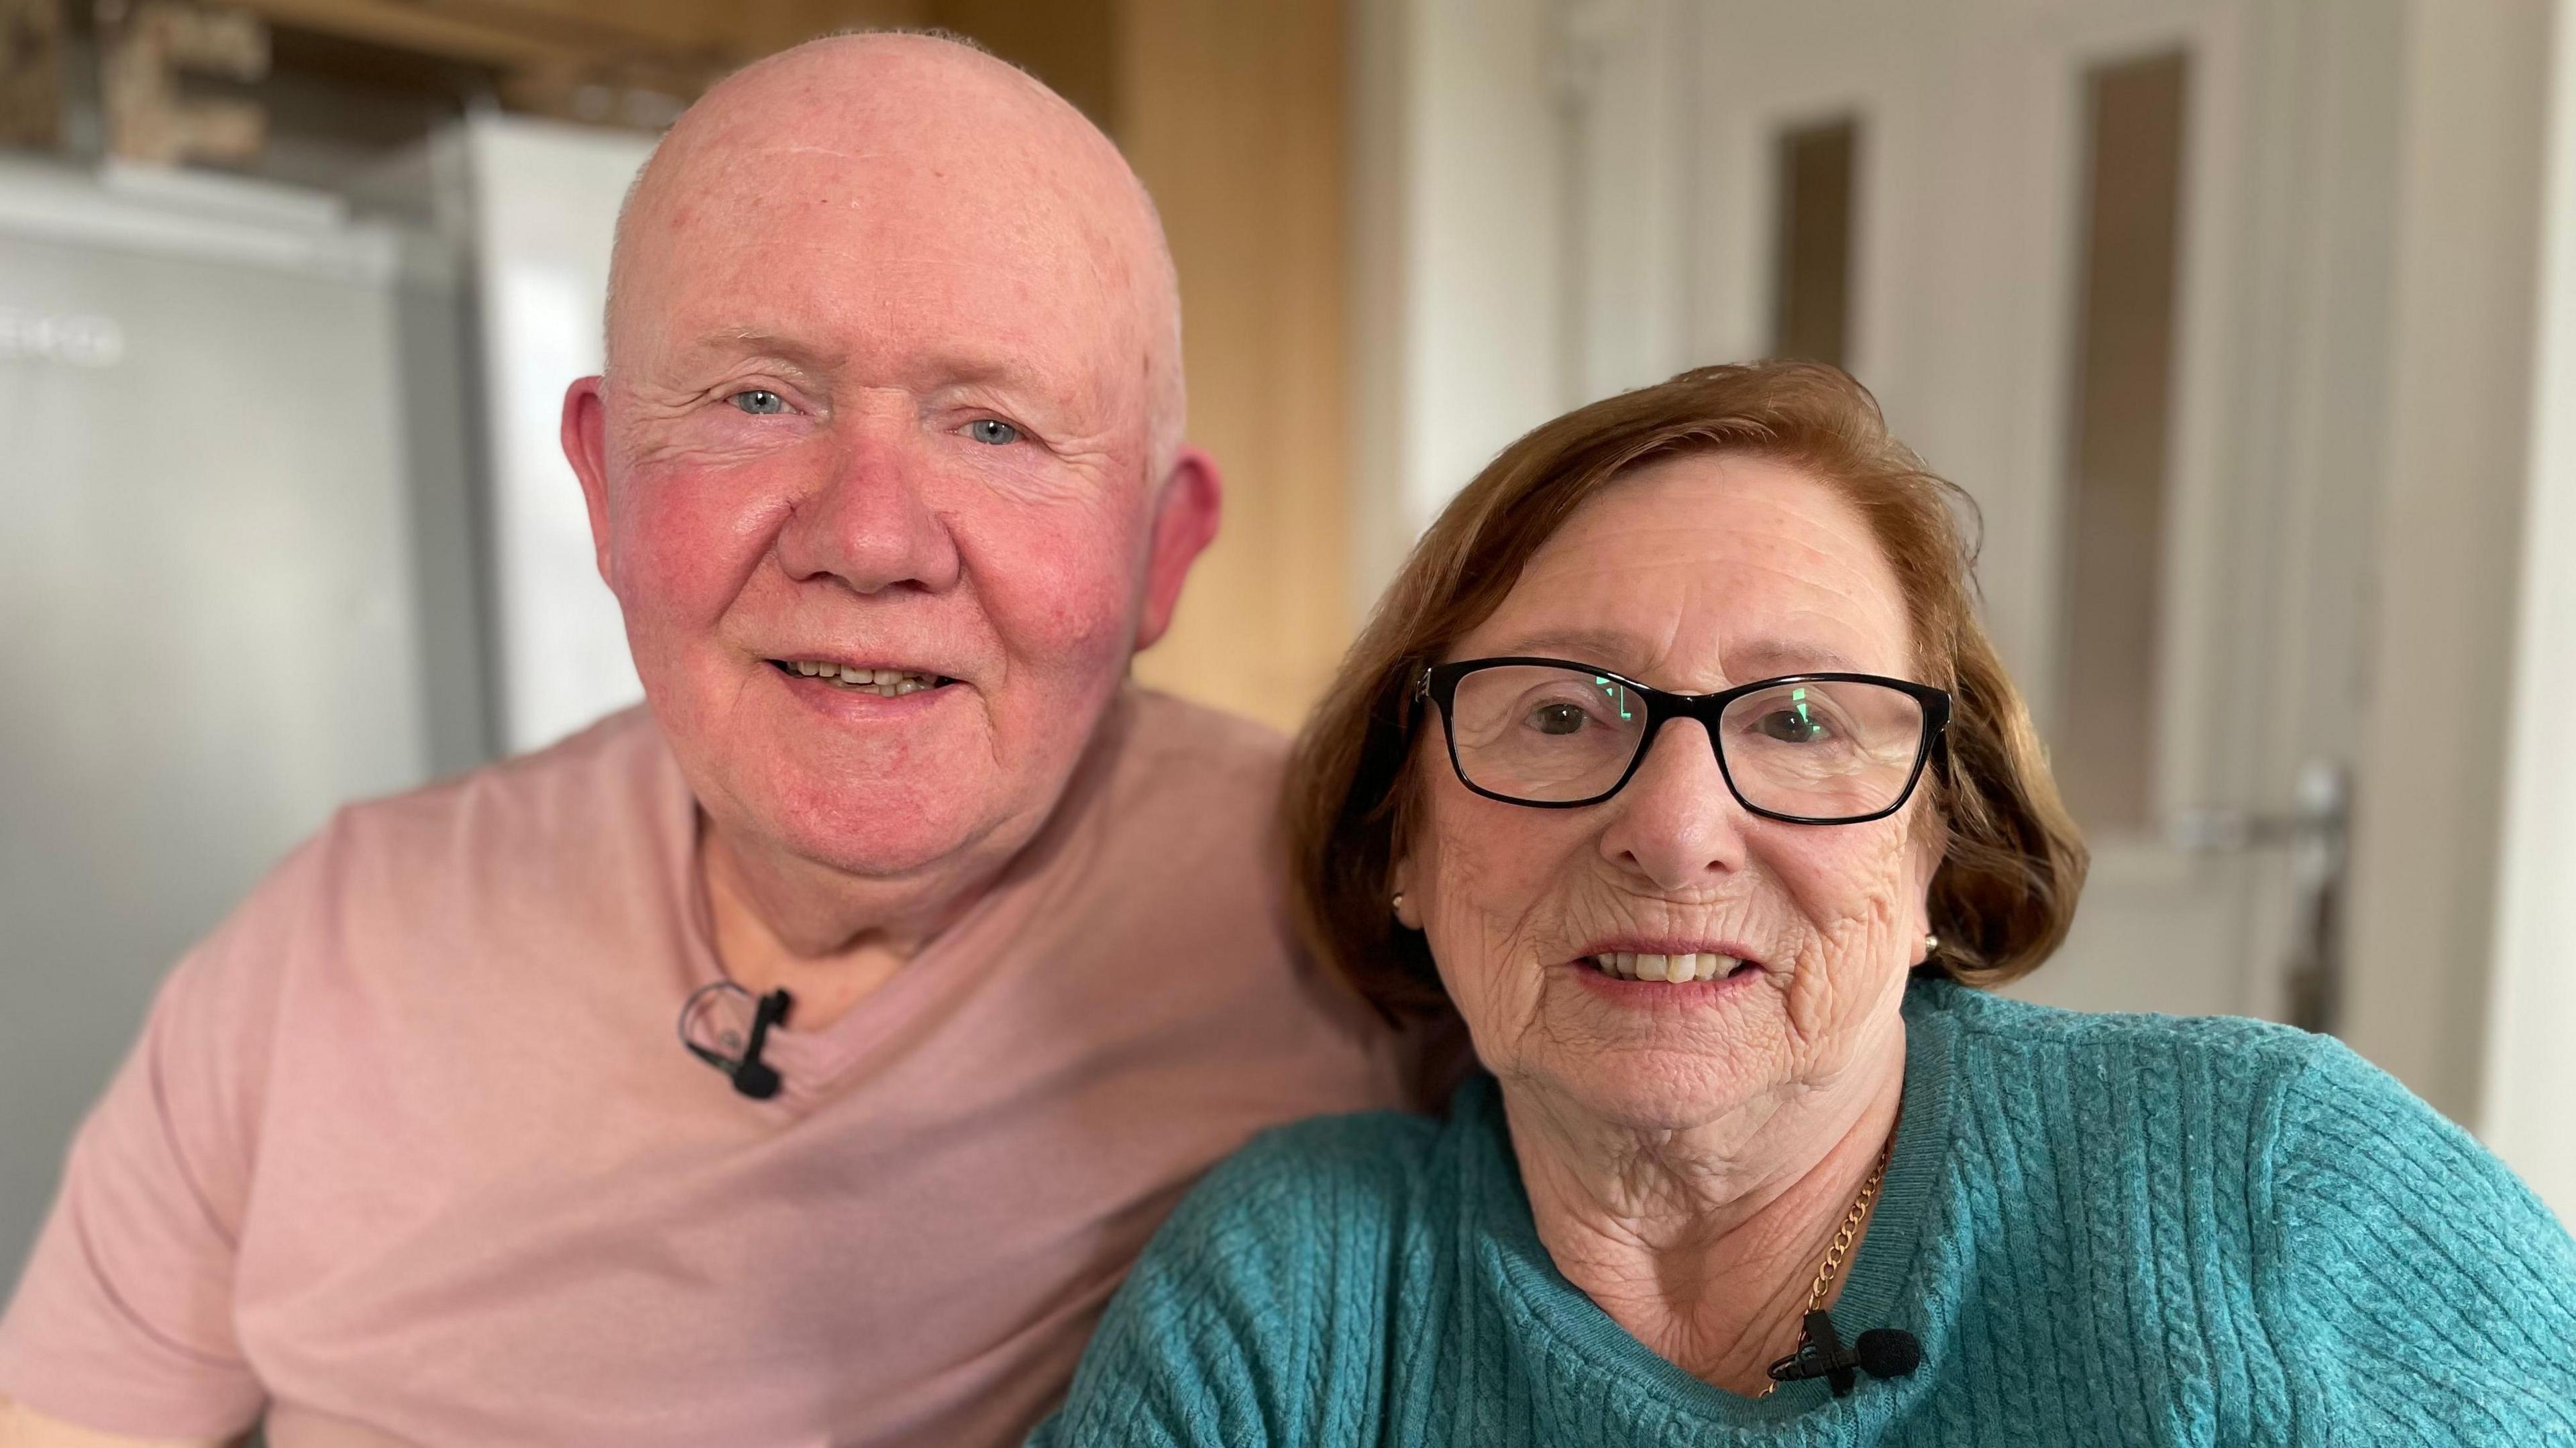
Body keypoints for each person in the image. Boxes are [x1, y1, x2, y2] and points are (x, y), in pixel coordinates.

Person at [0, 32, 1405, 1448]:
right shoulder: (330, 941)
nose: (868, 538)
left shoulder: (1373, 919)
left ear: (1163, 548)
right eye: (759, 400)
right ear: (606, 486)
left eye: (994, 427)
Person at [1032, 362, 2576, 1445]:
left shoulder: (2276, 1190)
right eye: (1561, 715)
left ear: (1934, 860)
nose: (1675, 830)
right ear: (1404, 843)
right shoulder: (1297, 1283)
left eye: (1802, 722)